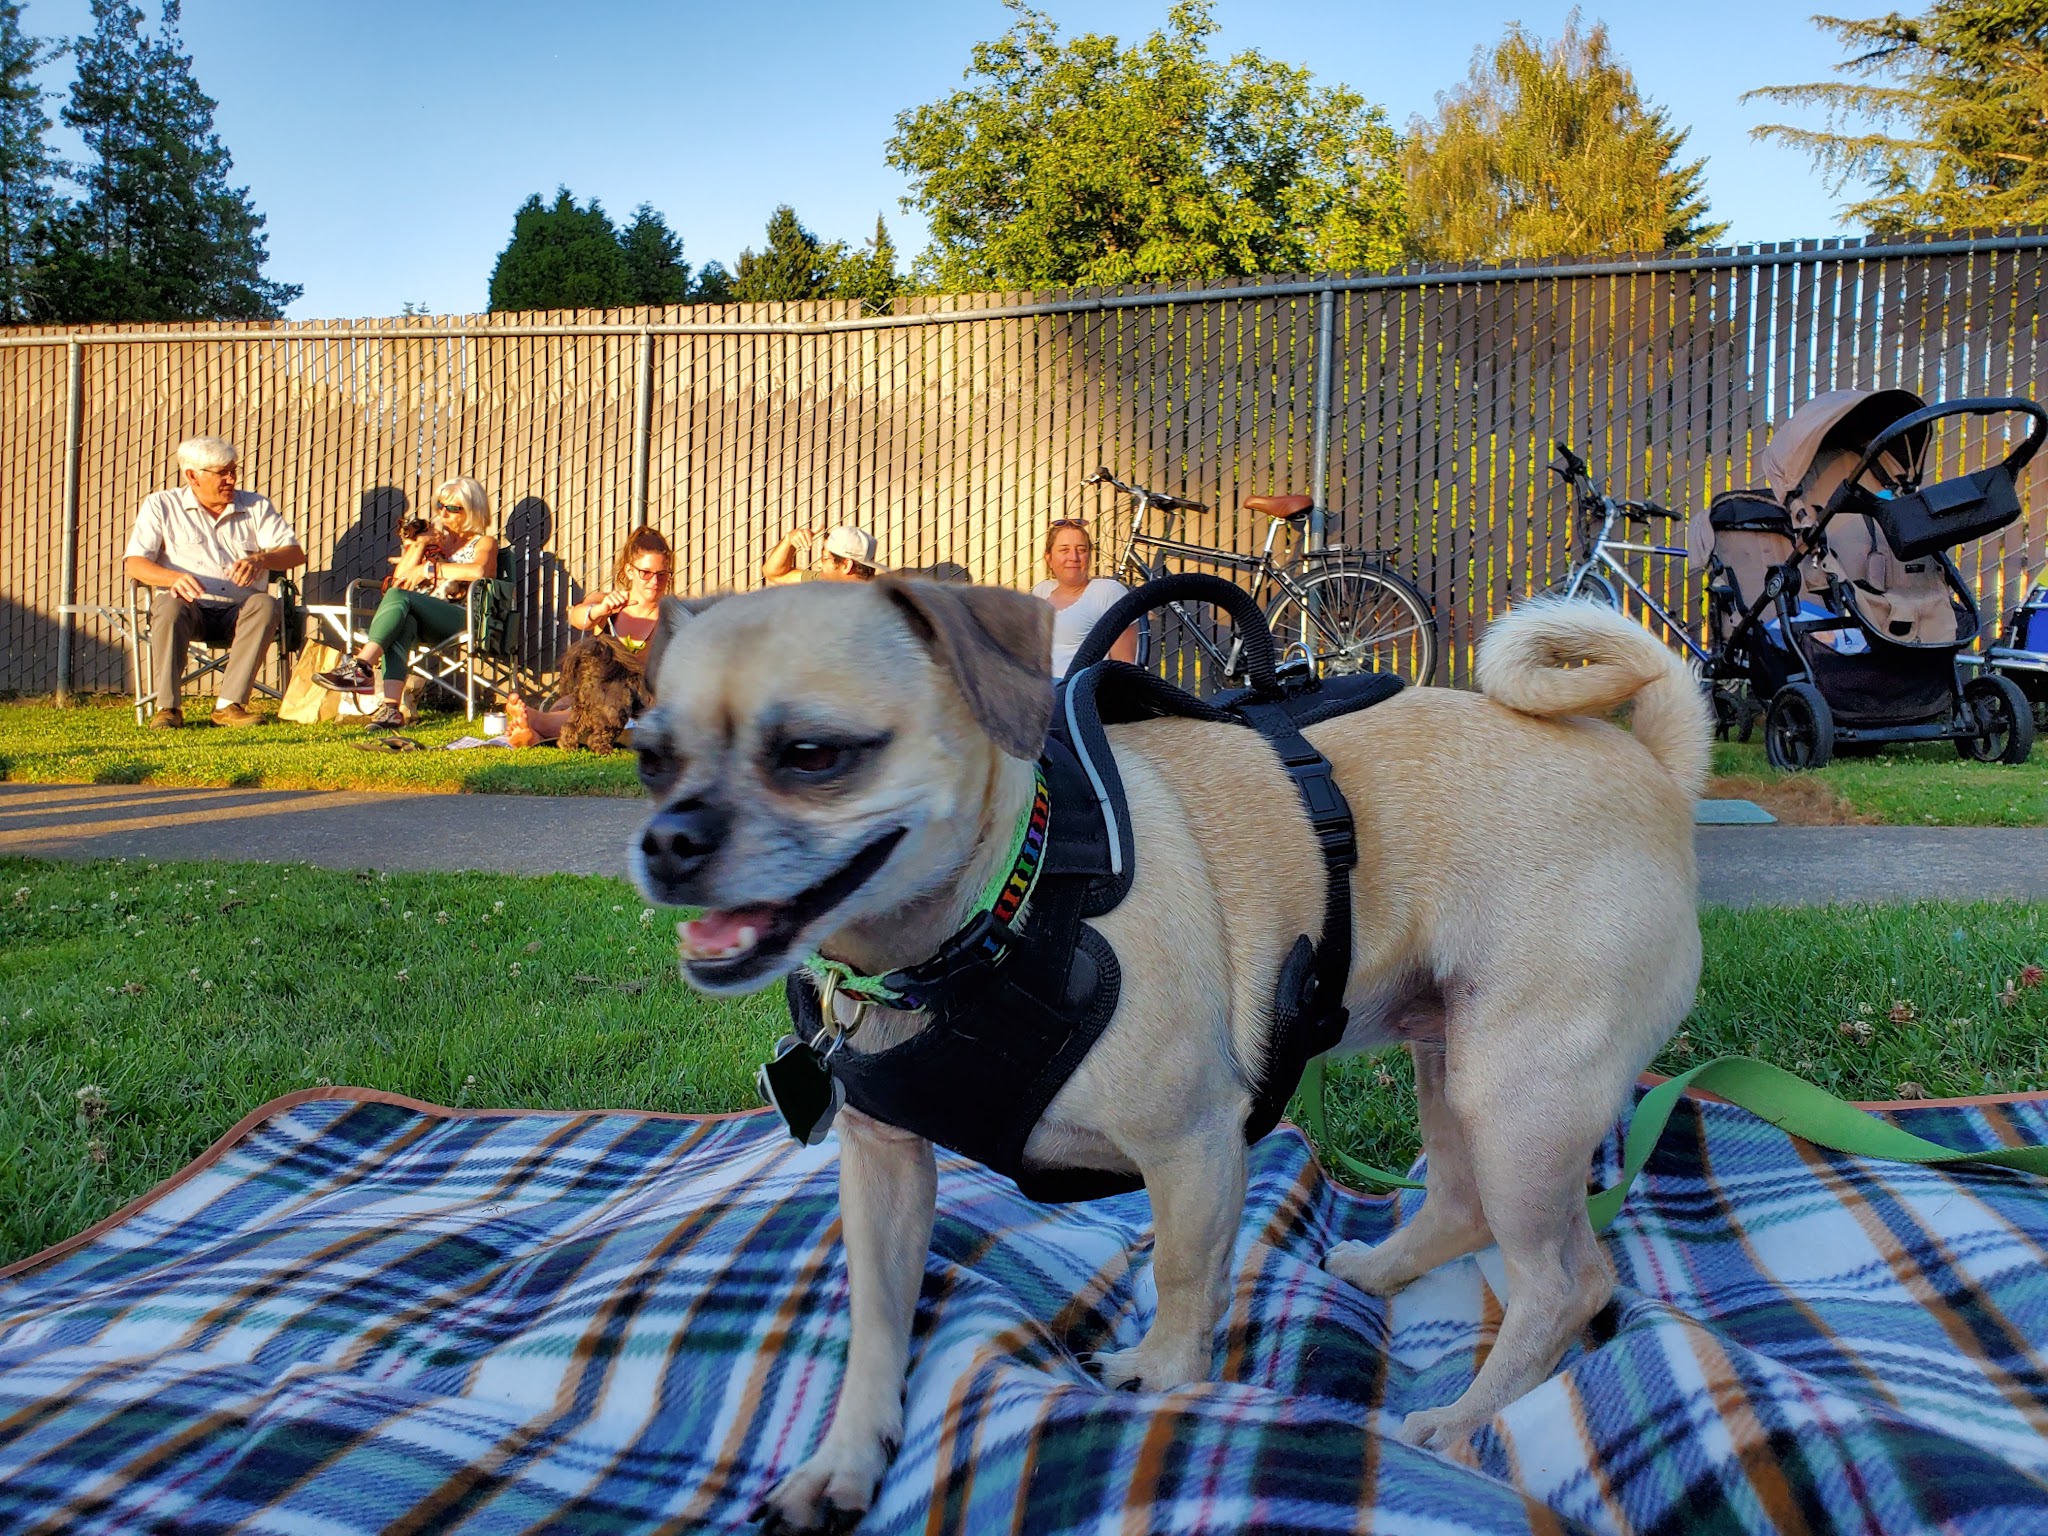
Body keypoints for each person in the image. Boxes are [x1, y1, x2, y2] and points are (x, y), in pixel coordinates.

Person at [123, 437, 307, 729]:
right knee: (168, 606)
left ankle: (228, 707)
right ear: (193, 476)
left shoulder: (256, 506)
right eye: (222, 472)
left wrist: (261, 559)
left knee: (266, 603)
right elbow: (135, 563)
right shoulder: (162, 505)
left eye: (233, 471)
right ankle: (168, 707)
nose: (231, 479)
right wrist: (172, 578)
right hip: (189, 609)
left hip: (240, 611)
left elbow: (295, 553)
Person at [315, 478, 498, 729]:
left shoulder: (484, 542)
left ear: (472, 510)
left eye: (452, 508)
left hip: (458, 618)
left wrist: (429, 569)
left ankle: (361, 667)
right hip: (419, 614)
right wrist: (421, 543)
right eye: (439, 506)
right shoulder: (432, 540)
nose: (442, 513)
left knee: (401, 601)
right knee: (401, 622)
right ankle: (391, 709)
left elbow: (479, 571)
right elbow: (398, 582)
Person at [505, 526, 671, 750]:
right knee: (569, 703)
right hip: (596, 693)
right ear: (629, 571)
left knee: (605, 709)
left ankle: (537, 725)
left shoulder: (670, 613)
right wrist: (598, 611)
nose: (654, 581)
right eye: (646, 573)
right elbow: (577, 616)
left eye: (662, 574)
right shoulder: (608, 602)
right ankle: (534, 735)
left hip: (638, 701)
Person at [1032, 517, 1136, 678]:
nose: (1074, 557)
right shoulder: (1041, 591)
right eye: (1064, 550)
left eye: (1081, 549)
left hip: (1077, 691)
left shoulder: (1107, 592)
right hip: (1037, 689)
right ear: (1049, 558)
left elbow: (1125, 666)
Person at [761, 523, 880, 584]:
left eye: (825, 558)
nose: (820, 565)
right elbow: (776, 574)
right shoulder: (829, 583)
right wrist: (788, 541)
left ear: (846, 565)